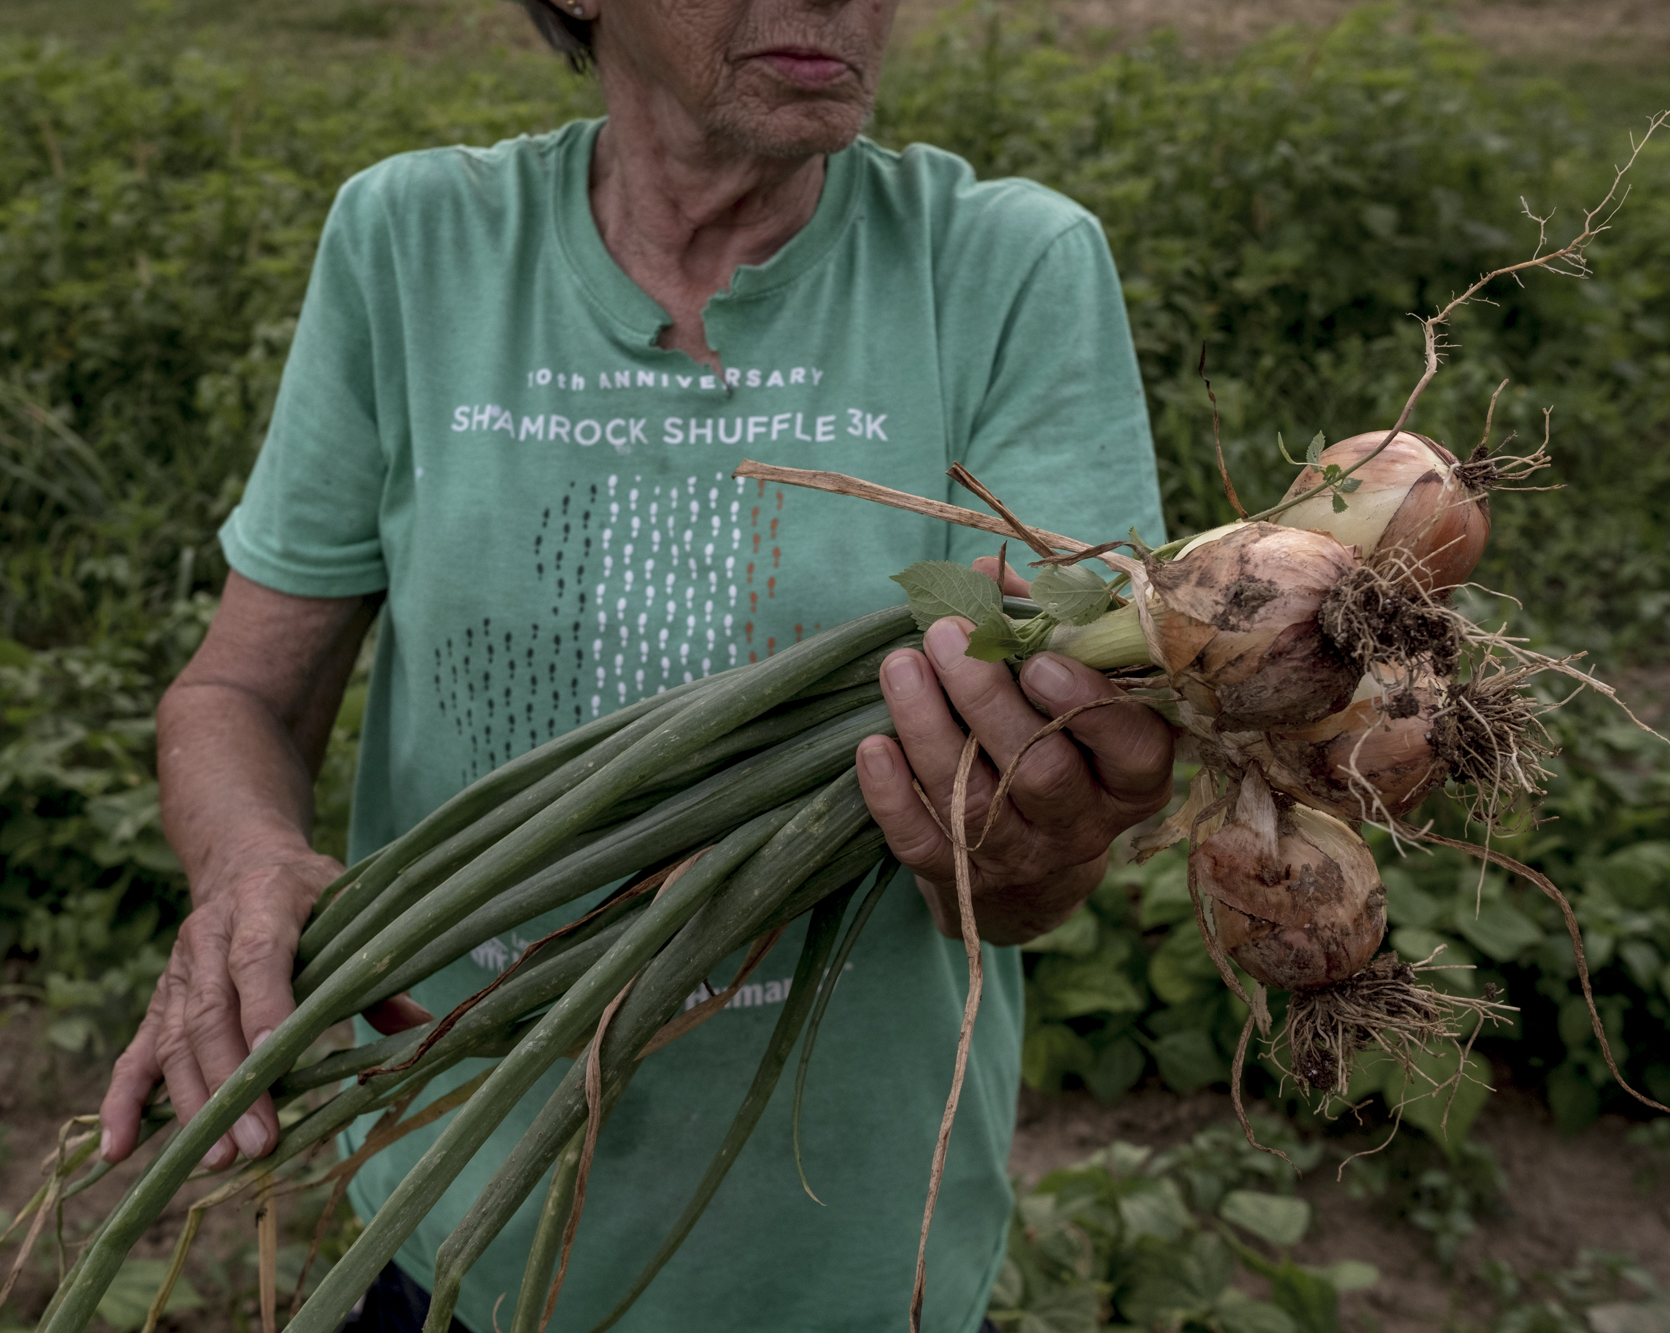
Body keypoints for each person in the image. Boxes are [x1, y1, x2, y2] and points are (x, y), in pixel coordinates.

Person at [96, 1, 1174, 1329]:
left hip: (839, 1266)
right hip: (453, 1208)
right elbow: (239, 693)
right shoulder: (418, 243)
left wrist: (1036, 848)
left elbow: (1024, 872)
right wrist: (247, 861)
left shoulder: (1006, 266)